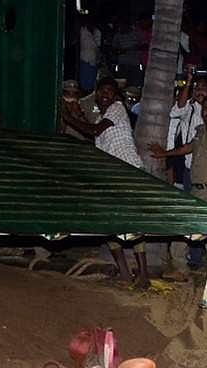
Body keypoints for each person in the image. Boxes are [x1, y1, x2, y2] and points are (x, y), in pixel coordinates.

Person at [61, 77, 149, 289]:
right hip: (113, 176)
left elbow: (93, 131)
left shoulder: (117, 109)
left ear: (116, 96)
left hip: (128, 173)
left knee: (133, 224)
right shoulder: (104, 117)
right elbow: (95, 135)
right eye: (101, 92)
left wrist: (67, 117)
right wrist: (77, 115)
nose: (104, 96)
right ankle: (125, 274)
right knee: (111, 224)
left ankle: (143, 275)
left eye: (108, 92)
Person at [151, 97, 207, 280]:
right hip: (197, 189)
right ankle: (181, 269)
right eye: (205, 109)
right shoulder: (200, 132)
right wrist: (165, 153)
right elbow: (188, 148)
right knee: (188, 226)